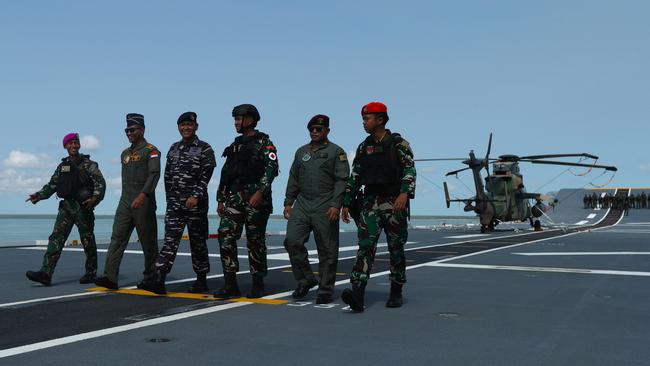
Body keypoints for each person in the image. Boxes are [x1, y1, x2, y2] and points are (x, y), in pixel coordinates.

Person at [340, 102, 416, 312]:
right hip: (370, 202)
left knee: (396, 248)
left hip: (394, 202)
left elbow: (409, 170)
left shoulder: (399, 144)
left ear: (380, 119)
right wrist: (346, 202)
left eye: (367, 118)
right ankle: (357, 292)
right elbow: (355, 176)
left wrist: (404, 194)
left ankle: (396, 290)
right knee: (365, 247)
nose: (364, 122)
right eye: (364, 119)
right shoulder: (364, 147)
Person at [140, 112, 216, 294]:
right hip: (175, 206)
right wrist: (168, 200)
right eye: (183, 125)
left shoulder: (205, 149)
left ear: (196, 127)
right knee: (169, 242)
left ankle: (201, 280)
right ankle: (159, 279)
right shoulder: (173, 148)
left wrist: (196, 195)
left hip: (195, 205)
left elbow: (206, 175)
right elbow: (167, 176)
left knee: (197, 243)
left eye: (190, 124)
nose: (186, 128)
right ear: (178, 127)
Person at [283, 114, 350, 304]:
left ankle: (326, 289)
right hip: (303, 204)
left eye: (318, 129)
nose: (314, 132)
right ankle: (306, 279)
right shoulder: (301, 152)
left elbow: (341, 180)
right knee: (292, 240)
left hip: (325, 204)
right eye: (311, 129)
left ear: (327, 130)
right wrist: (288, 202)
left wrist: (336, 204)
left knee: (327, 249)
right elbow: (293, 178)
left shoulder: (336, 152)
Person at [215, 104, 279, 299]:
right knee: (225, 235)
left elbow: (271, 169)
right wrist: (220, 199)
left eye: (239, 118)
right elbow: (226, 173)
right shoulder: (235, 145)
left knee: (255, 241)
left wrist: (260, 192)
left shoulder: (265, 143)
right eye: (235, 119)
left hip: (256, 200)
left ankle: (258, 283)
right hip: (235, 198)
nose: (236, 122)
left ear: (250, 120)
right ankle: (230, 284)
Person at [25, 133, 106, 286]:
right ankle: (45, 273)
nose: (73, 146)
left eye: (76, 143)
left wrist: (95, 199)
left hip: (83, 208)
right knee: (56, 239)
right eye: (70, 143)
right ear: (65, 146)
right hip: (67, 208)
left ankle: (91, 272)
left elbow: (100, 183)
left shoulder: (89, 164)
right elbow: (52, 185)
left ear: (79, 145)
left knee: (87, 240)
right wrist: (38, 196)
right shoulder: (62, 166)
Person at [95, 113, 161, 290]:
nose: (129, 133)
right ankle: (110, 277)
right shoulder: (125, 153)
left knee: (148, 241)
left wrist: (143, 195)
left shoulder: (151, 150)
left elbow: (154, 175)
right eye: (127, 130)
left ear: (142, 129)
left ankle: (151, 278)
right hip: (125, 201)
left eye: (132, 129)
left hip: (143, 201)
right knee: (117, 237)